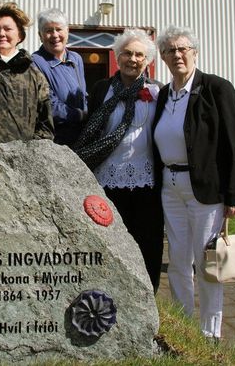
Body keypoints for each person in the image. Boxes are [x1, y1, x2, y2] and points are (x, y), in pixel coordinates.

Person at [152, 25, 235, 340]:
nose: (177, 55)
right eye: (170, 50)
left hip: (205, 190)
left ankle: (209, 332)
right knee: (178, 260)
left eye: (183, 48)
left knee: (206, 262)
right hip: (170, 186)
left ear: (194, 51)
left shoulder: (216, 88)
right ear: (163, 57)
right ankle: (183, 326)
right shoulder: (165, 94)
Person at [74, 28, 164, 292]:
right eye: (127, 53)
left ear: (147, 60)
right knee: (109, 243)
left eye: (139, 55)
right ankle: (109, 293)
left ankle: (148, 296)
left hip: (146, 182)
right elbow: (91, 129)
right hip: (108, 180)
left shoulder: (157, 92)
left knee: (147, 243)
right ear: (117, 56)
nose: (132, 59)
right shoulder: (103, 89)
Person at [0, 1, 54, 142]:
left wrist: (28, 153)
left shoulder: (35, 76)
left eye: (7, 29)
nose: (1, 34)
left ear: (20, 36)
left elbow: (45, 126)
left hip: (21, 160)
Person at [31, 8, 87, 146]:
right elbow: (47, 104)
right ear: (40, 35)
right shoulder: (35, 62)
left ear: (67, 31)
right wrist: (82, 115)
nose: (55, 35)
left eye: (59, 29)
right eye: (48, 31)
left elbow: (83, 95)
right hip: (55, 141)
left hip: (80, 137)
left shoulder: (76, 59)